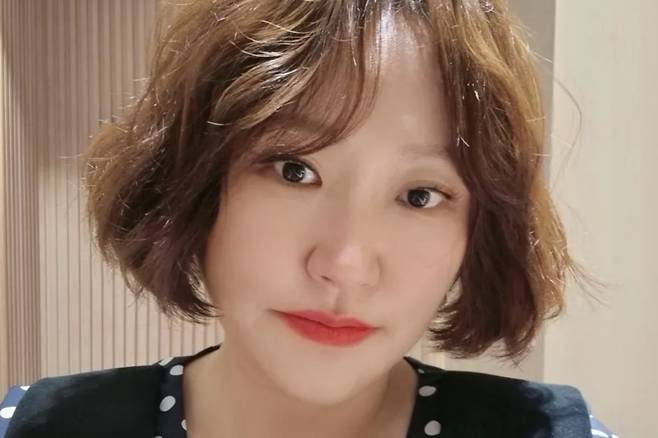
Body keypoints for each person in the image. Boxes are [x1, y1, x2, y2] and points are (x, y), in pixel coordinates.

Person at [0, 0, 618, 437]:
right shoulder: (42, 426)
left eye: (419, 195)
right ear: (195, 179)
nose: (345, 264)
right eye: (295, 170)